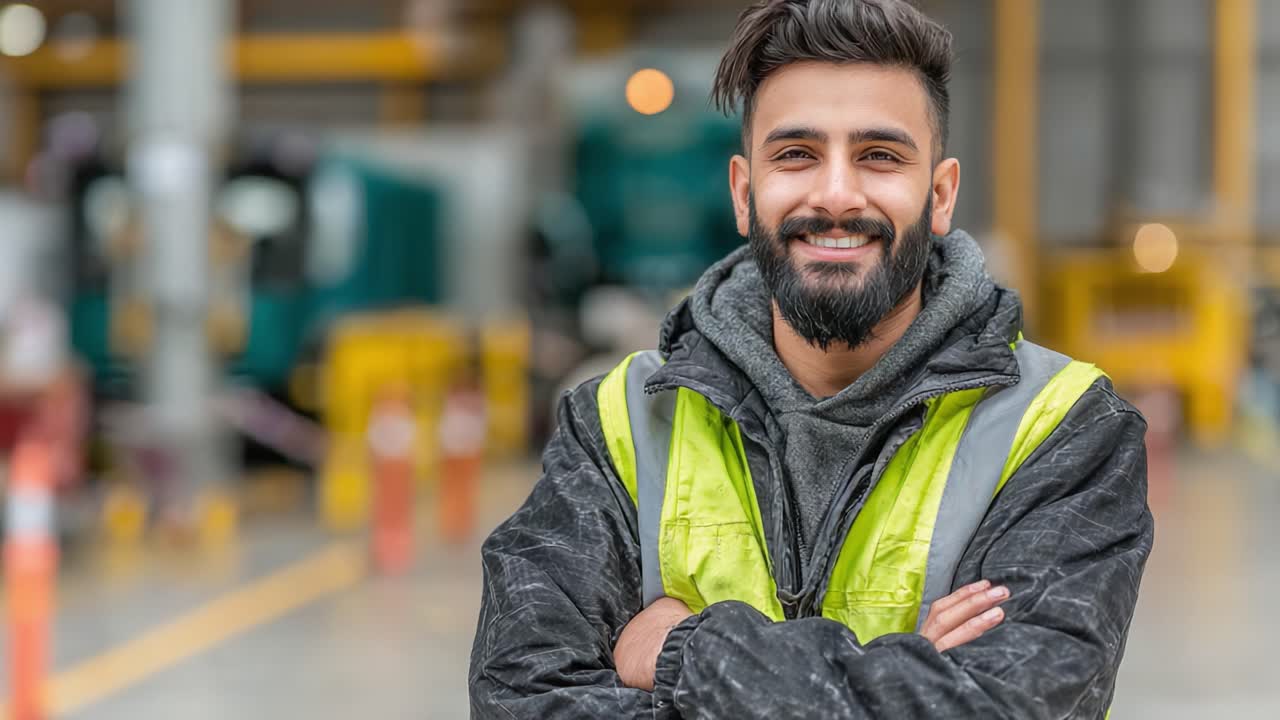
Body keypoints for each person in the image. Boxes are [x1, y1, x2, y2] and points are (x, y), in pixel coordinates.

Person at [470, 1, 1153, 717]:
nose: (834, 194)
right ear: (743, 192)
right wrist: (907, 673)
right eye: (796, 154)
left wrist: (685, 654)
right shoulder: (620, 423)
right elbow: (520, 696)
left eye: (879, 156)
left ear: (941, 193)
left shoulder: (1063, 429)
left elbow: (1012, 706)